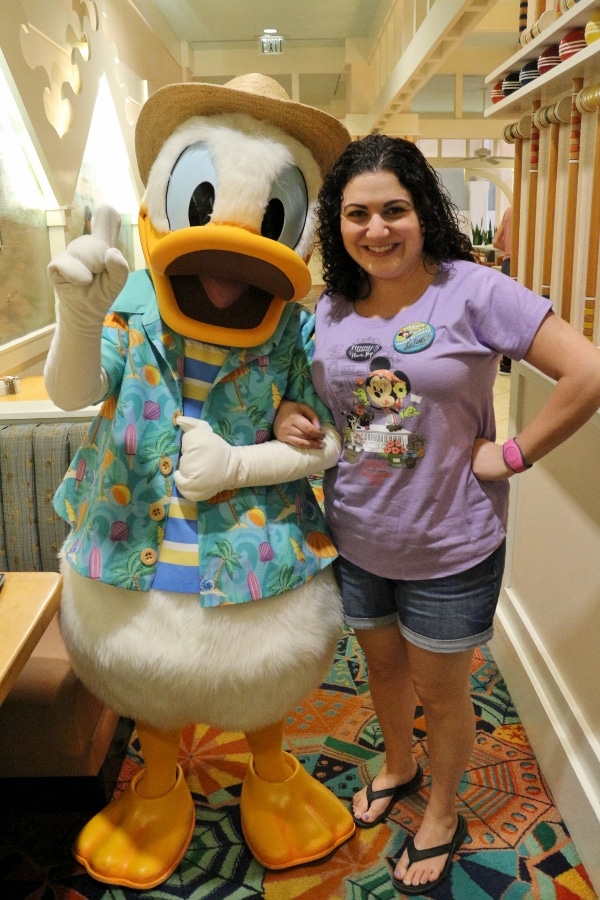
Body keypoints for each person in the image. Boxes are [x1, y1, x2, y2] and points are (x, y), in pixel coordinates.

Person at [274, 134, 600, 894]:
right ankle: (396, 764)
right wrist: (295, 413)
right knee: (382, 669)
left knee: (443, 688)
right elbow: (317, 404)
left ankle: (445, 809)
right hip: (357, 531)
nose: (377, 229)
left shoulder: (474, 291)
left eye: (395, 209)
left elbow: (587, 369)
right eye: (358, 214)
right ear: (338, 225)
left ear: (424, 212)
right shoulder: (327, 308)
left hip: (452, 541)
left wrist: (514, 454)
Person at [493, 205, 514, 373]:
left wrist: (508, 250)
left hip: (508, 263)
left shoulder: (509, 210)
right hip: (528, 263)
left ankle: (506, 362)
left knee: (508, 311)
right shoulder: (535, 210)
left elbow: (495, 241)